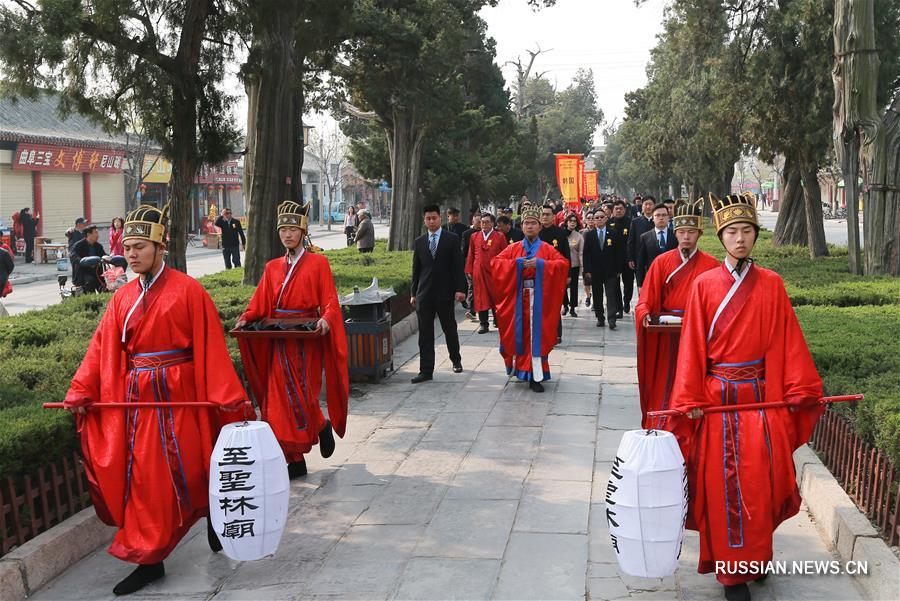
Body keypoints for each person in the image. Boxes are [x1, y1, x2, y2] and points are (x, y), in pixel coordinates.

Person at [63, 204, 251, 595]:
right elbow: (101, 349)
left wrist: (228, 399)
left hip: (181, 397)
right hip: (138, 403)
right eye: (127, 247)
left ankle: (212, 517)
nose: (130, 254)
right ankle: (150, 559)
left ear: (160, 246)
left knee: (195, 467)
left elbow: (210, 348)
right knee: (146, 480)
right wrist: (82, 389)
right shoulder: (122, 298)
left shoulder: (189, 291)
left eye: (139, 247)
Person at [664, 193, 824, 601]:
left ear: (755, 235)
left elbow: (787, 341)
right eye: (732, 231)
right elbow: (692, 348)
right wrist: (690, 397)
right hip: (718, 400)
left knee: (764, 482)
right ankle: (732, 574)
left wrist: (797, 391)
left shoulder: (771, 284)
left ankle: (756, 556)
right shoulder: (703, 285)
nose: (740, 238)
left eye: (746, 231)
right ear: (721, 236)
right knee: (725, 486)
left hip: (761, 399)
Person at [236, 201, 348, 480]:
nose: (287, 235)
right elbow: (260, 302)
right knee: (277, 401)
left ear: (303, 231)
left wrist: (326, 320)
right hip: (279, 340)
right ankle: (293, 459)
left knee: (303, 396)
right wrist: (246, 317)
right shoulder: (272, 267)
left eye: (292, 229)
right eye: (283, 230)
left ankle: (321, 425)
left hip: (305, 340)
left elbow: (330, 301)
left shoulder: (318, 263)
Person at [633, 198, 718, 429]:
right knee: (665, 378)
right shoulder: (661, 262)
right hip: (667, 331)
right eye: (681, 232)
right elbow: (645, 300)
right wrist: (645, 314)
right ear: (675, 232)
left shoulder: (711, 265)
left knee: (692, 376)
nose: (686, 237)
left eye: (691, 232)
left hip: (697, 333)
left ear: (699, 233)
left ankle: (690, 416)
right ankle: (662, 419)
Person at [491, 205, 569, 393]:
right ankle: (520, 369)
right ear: (522, 225)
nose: (530, 227)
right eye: (526, 223)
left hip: (539, 300)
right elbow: (496, 264)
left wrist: (541, 264)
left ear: (540, 226)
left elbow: (562, 264)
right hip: (518, 300)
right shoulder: (513, 248)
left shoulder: (547, 249)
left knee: (536, 337)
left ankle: (535, 375)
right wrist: (517, 264)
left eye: (534, 223)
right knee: (519, 335)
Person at [410, 204, 467, 383]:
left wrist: (460, 289)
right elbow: (416, 271)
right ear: (424, 220)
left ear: (440, 219)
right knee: (425, 334)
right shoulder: (419, 242)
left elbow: (458, 267)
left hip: (445, 293)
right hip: (424, 294)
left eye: (434, 218)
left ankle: (456, 360)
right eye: (428, 219)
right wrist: (413, 293)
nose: (432, 221)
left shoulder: (451, 239)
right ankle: (426, 370)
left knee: (449, 329)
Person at [464, 213, 507, 333]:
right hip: (479, 272)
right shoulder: (474, 236)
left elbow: (505, 255)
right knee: (480, 298)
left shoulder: (500, 236)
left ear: (492, 223)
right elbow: (471, 254)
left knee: (496, 297)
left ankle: (498, 320)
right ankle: (484, 324)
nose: (484, 224)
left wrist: (504, 271)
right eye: (482, 222)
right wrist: (469, 270)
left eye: (487, 222)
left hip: (495, 272)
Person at [582, 210, 625, 330]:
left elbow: (618, 253)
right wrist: (587, 270)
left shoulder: (614, 233)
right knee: (597, 295)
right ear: (594, 220)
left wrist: (618, 269)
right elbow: (586, 254)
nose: (599, 219)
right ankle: (600, 318)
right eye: (597, 217)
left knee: (611, 295)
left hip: (611, 271)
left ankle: (612, 320)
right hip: (595, 271)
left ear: (606, 218)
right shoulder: (589, 235)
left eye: (602, 217)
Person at [539, 205, 571, 343]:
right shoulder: (535, 232)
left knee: (554, 305)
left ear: (554, 216)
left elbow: (566, 254)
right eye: (543, 214)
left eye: (548, 214)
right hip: (537, 275)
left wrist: (568, 274)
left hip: (555, 275)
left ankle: (556, 334)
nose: (545, 217)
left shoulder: (560, 233)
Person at [635, 203, 676, 287]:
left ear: (668, 217)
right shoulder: (645, 237)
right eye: (657, 215)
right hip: (653, 279)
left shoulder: (676, 236)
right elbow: (641, 263)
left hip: (672, 279)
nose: (661, 218)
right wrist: (640, 285)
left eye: (664, 215)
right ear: (653, 218)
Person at [608, 200, 634, 318]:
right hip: (613, 260)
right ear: (612, 211)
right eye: (616, 208)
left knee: (628, 283)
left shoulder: (631, 223)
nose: (618, 210)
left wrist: (632, 258)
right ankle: (619, 308)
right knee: (615, 285)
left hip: (627, 259)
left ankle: (627, 301)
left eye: (621, 208)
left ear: (625, 210)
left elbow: (633, 242)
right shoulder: (608, 223)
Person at [628, 196, 656, 288]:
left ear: (654, 206)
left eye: (650, 204)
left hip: (655, 256)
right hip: (639, 257)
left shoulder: (657, 222)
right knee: (641, 283)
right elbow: (631, 240)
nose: (648, 207)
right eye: (646, 204)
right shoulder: (635, 222)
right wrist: (631, 258)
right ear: (642, 206)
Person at [70, 225, 106, 291]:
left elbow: (104, 256)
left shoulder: (98, 246)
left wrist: (109, 258)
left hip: (97, 272)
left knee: (105, 288)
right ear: (89, 234)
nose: (97, 235)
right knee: (90, 284)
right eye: (95, 232)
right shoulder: (78, 246)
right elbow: (74, 258)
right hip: (84, 273)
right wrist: (84, 261)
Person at [561, 213, 584, 317]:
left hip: (574, 265)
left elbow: (581, 253)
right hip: (562, 264)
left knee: (574, 287)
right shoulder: (561, 234)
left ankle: (573, 307)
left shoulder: (579, 236)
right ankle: (565, 305)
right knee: (562, 287)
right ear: (566, 222)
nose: (572, 223)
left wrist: (582, 267)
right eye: (570, 221)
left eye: (575, 221)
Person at [460, 210, 481, 317]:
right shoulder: (467, 234)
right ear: (473, 221)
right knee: (472, 287)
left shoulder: (487, 232)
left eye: (481, 222)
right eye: (477, 222)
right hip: (471, 265)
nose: (479, 224)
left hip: (484, 266)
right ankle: (472, 310)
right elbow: (464, 252)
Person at [0, 241, 13, 317]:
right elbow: (10, 267)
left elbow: (11, 266)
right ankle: (5, 318)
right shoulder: (4, 252)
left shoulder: (4, 252)